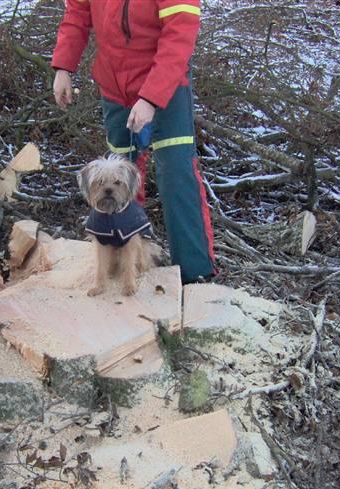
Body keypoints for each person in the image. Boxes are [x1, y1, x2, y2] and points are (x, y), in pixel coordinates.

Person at [51, 0, 217, 284]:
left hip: (167, 85)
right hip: (115, 87)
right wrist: (63, 67)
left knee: (177, 175)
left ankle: (195, 275)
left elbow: (180, 34)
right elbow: (77, 13)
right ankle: (125, 263)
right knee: (118, 178)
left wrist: (151, 97)